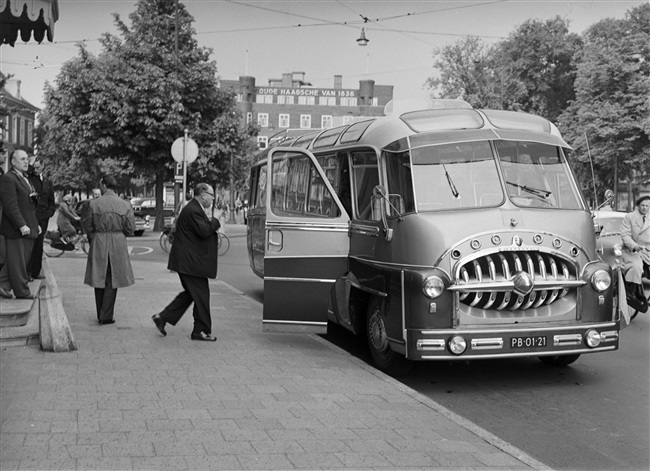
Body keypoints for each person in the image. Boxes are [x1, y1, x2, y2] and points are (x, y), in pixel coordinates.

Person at [152, 183, 221, 341]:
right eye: (212, 195)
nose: (212, 198)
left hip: (189, 263)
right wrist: (215, 222)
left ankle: (163, 317)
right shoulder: (193, 210)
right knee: (201, 295)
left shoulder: (194, 208)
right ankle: (200, 330)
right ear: (203, 195)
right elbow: (204, 231)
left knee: (193, 294)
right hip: (190, 263)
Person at [82, 176, 135, 325]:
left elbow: (88, 226)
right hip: (117, 242)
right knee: (112, 279)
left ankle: (101, 313)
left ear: (104, 186)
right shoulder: (125, 204)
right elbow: (130, 229)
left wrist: (94, 237)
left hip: (99, 241)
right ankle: (106, 316)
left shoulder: (93, 204)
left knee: (99, 276)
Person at [0, 150, 39, 300]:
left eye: (27, 159)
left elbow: (27, 204)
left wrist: (35, 224)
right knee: (19, 263)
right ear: (13, 162)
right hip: (16, 229)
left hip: (28, 227)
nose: (26, 162)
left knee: (15, 261)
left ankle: (2, 285)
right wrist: (21, 224)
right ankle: (22, 292)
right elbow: (10, 206)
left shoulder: (24, 177)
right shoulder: (8, 178)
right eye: (22, 159)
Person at [27, 158, 56, 280]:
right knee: (31, 244)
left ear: (43, 166)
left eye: (38, 167)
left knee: (39, 244)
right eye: (34, 167)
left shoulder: (48, 182)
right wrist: (30, 165)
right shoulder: (29, 179)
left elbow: (51, 200)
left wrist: (50, 212)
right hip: (32, 215)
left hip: (44, 216)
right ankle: (28, 271)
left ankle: (36, 271)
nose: (36, 170)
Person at [621, 195, 650, 313]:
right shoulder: (630, 217)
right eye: (642, 205)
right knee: (635, 266)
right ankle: (630, 292)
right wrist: (634, 246)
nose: (645, 208)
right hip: (631, 250)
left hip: (647, 251)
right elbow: (625, 235)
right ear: (638, 206)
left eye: (647, 206)